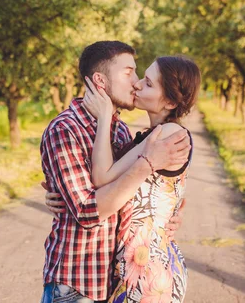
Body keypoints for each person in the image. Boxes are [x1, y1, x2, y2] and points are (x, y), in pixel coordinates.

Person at [40, 41, 192, 303]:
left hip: (122, 278)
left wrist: (165, 215)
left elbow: (133, 190)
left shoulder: (122, 132)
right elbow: (88, 212)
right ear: (100, 80)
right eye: (129, 72)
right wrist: (148, 163)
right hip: (78, 282)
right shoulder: (64, 130)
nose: (135, 83)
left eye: (143, 78)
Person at [83, 56, 200, 303]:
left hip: (147, 272)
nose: (136, 85)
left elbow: (102, 177)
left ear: (169, 100)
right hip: (141, 264)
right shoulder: (152, 134)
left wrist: (104, 117)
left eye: (147, 83)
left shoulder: (168, 133)